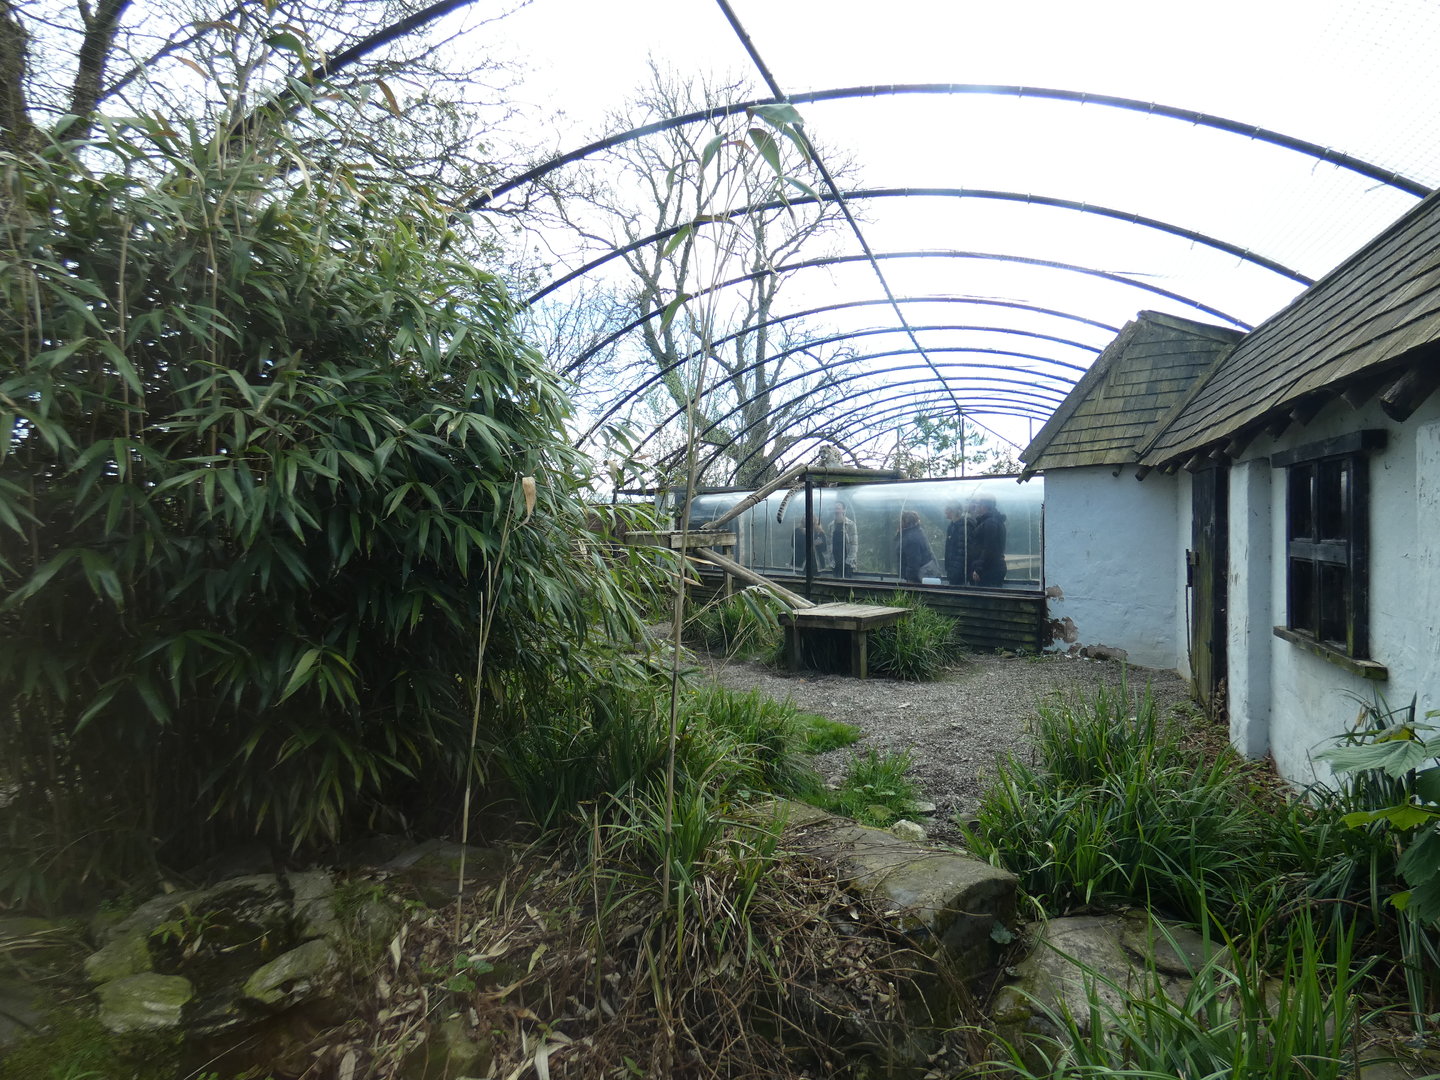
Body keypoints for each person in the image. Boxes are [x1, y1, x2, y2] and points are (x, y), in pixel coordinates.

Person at [967, 494, 1008, 587]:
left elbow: (989, 548)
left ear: (984, 506)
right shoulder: (992, 521)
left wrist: (978, 569)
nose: (975, 506)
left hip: (989, 570)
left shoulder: (990, 522)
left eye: (977, 504)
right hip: (991, 568)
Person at [894, 509, 938, 583]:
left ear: (905, 522)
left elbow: (913, 562)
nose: (899, 523)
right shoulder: (917, 531)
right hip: (921, 575)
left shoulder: (910, 538)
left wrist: (910, 580)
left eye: (901, 521)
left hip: (917, 578)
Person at [830, 500, 858, 578]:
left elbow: (854, 544)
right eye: (835, 508)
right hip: (835, 561)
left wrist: (849, 560)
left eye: (838, 508)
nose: (836, 510)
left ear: (843, 510)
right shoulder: (831, 525)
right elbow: (830, 543)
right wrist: (830, 558)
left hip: (847, 561)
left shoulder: (850, 524)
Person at [943, 502, 968, 587]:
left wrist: (955, 570)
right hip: (952, 568)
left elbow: (962, 551)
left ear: (953, 511)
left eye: (947, 509)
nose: (945, 511)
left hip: (958, 571)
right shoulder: (952, 526)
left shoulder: (962, 526)